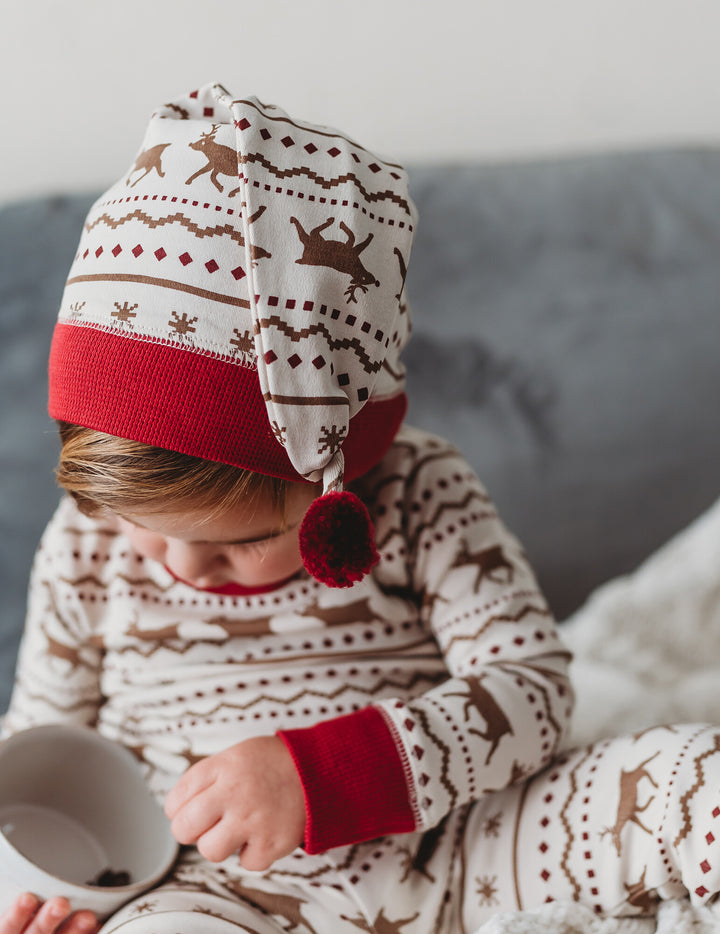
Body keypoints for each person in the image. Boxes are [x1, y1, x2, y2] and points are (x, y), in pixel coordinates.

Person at [1, 83, 720, 934]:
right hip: (215, 892)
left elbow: (531, 692)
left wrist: (331, 777)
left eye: (243, 542)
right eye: (142, 526)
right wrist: (46, 899)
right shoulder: (84, 544)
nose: (179, 566)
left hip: (462, 851)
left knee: (686, 774)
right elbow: (37, 755)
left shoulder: (424, 494)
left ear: (339, 479)